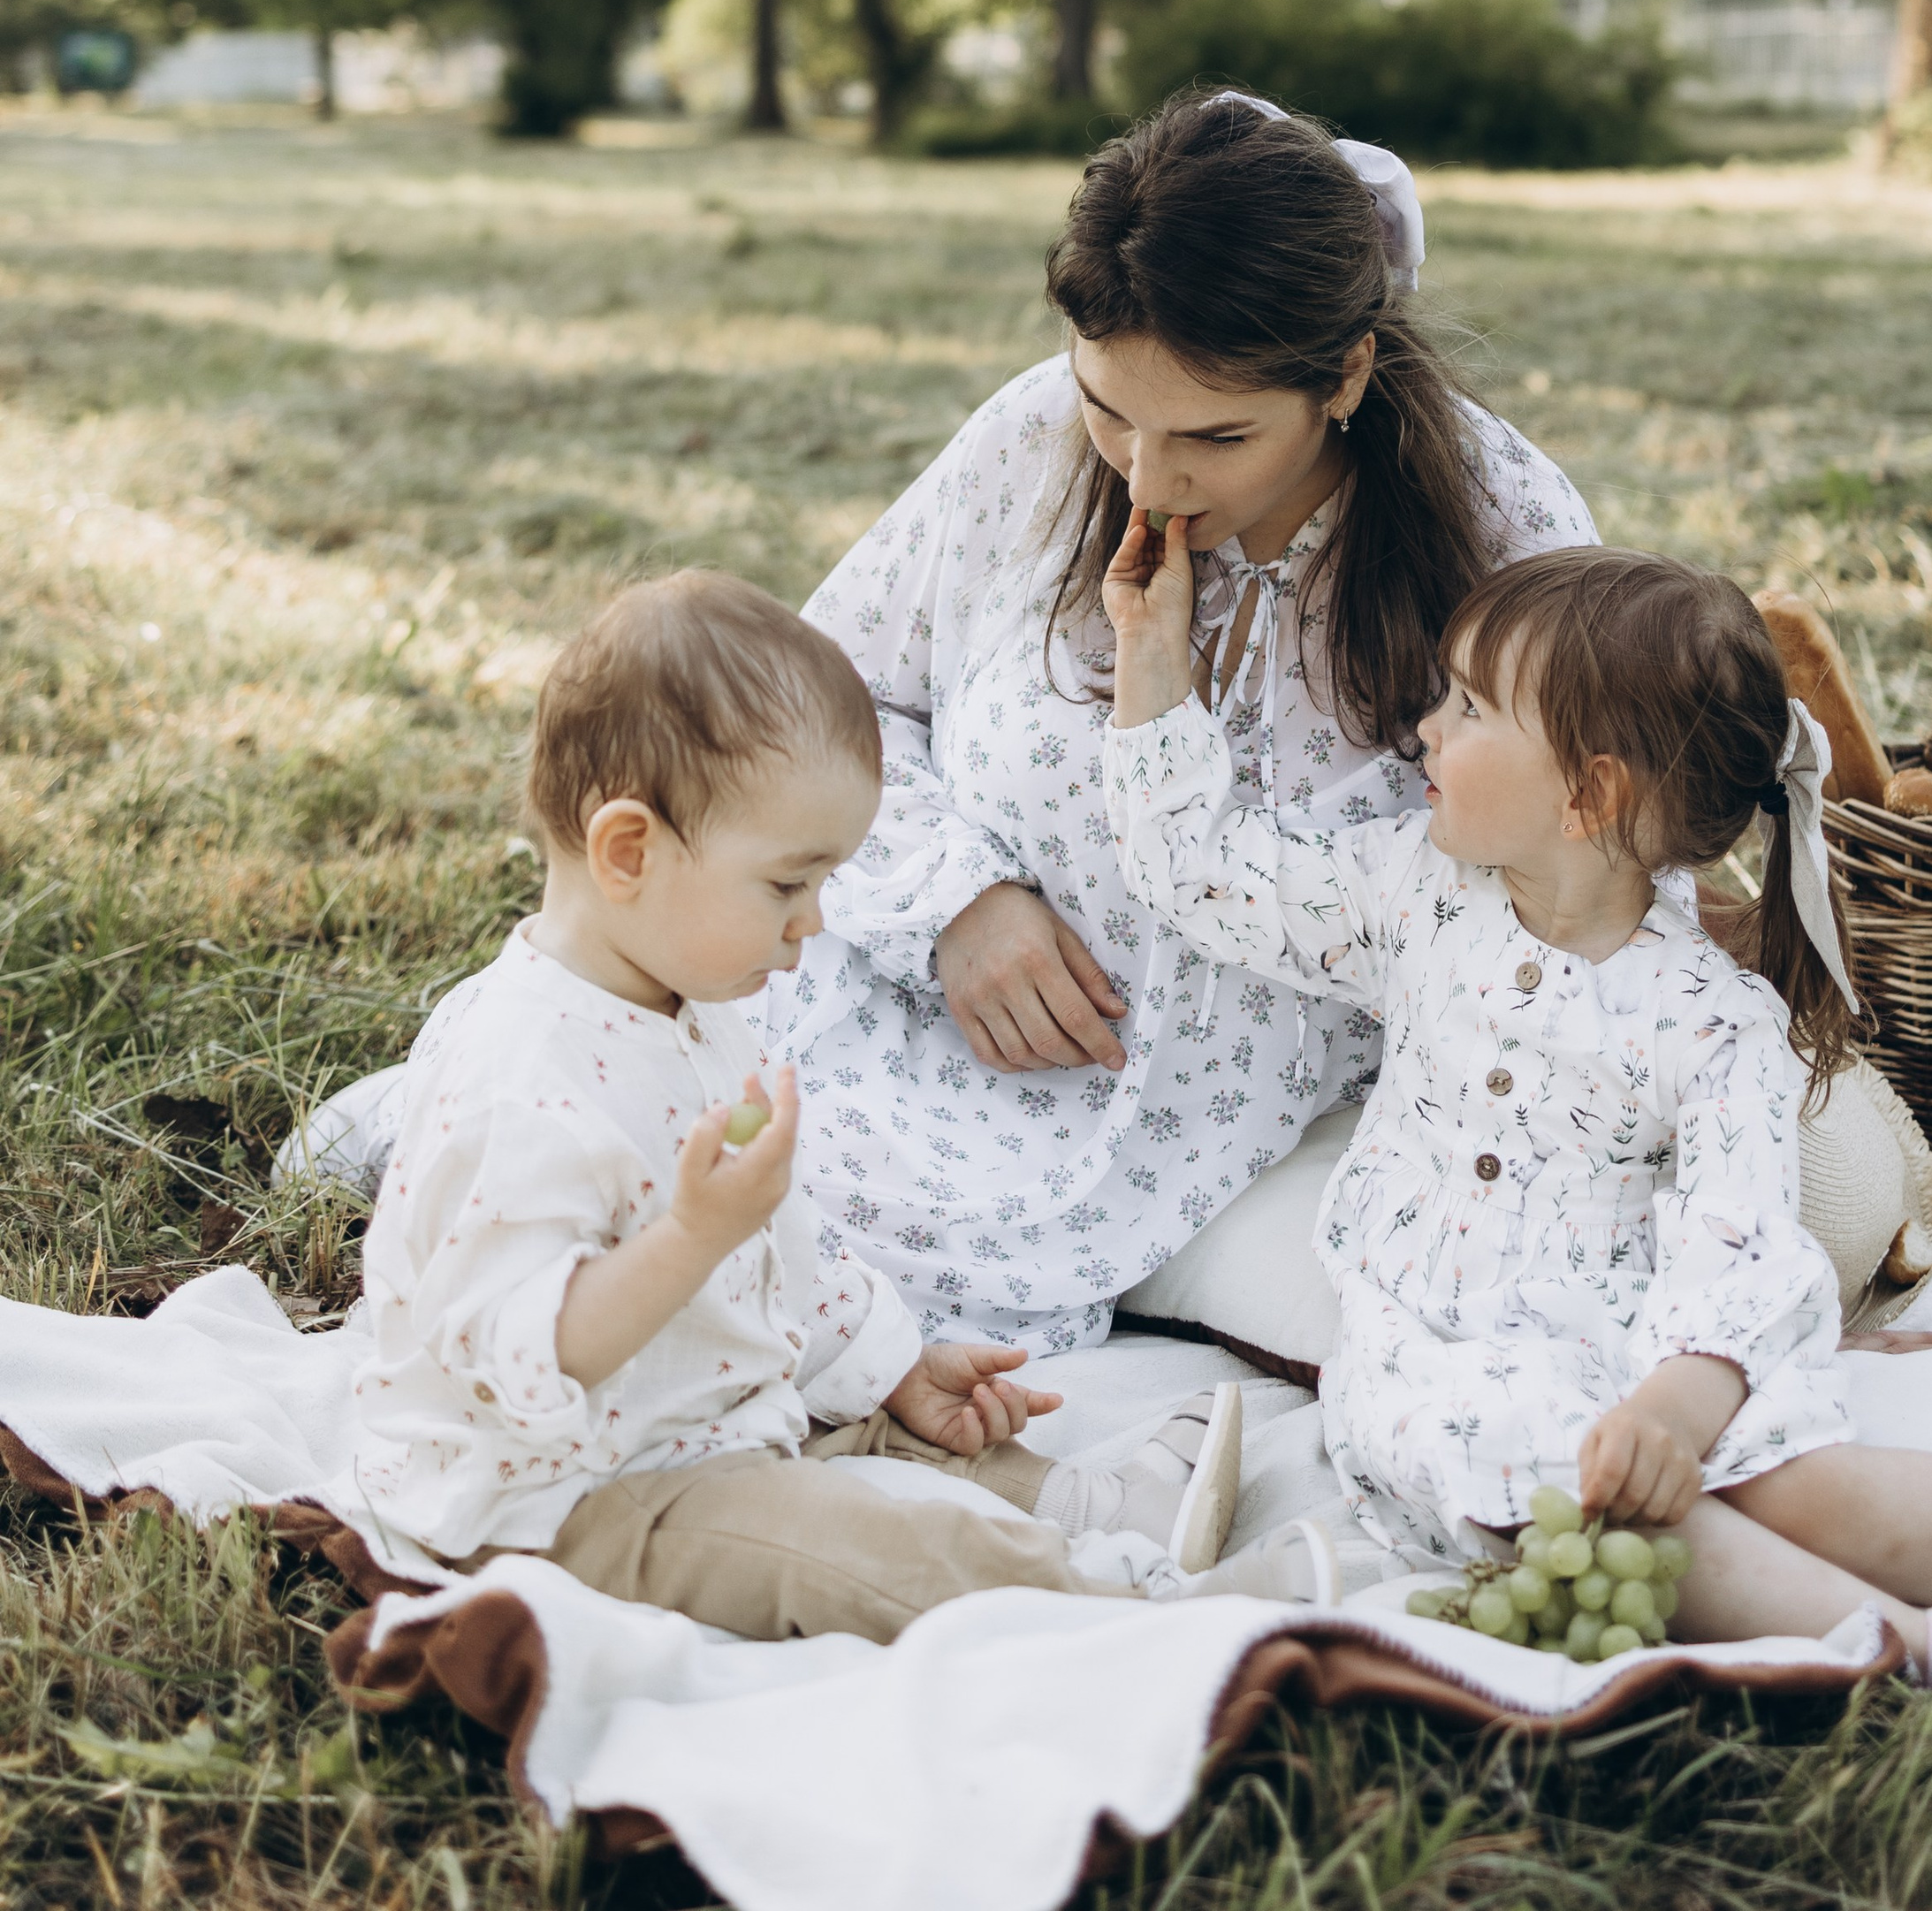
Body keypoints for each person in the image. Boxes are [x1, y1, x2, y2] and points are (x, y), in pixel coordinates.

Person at [1100, 532, 1932, 1716]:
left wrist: (1683, 1398)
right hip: (1444, 1340)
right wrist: (1150, 664)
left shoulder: (1711, 1022)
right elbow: (1208, 875)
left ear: (1588, 794)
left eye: (1467, 708)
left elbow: (1742, 1238)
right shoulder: (1413, 891)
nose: (1425, 732)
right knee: (1569, 1479)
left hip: (1649, 1329)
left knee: (1804, 1480)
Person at [348, 567, 1337, 1637]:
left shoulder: (682, 1007)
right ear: (627, 852)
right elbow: (521, 1353)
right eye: (786, 885)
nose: (813, 923)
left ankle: (1089, 1506)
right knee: (856, 1543)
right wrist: (690, 1237)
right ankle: (1141, 1614)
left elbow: (778, 1253)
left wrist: (892, 1363)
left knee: (873, 1425)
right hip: (564, 1501)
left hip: (689, 1418)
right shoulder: (520, 1080)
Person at [778, 90, 1595, 1349]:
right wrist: (958, 900)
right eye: (1111, 408)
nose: (1148, 481)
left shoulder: (1499, 521)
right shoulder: (1025, 446)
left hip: (1294, 1134)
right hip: (933, 1054)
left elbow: (1587, 847)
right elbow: (821, 697)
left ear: (1346, 376)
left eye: (1217, 435)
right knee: (661, 1176)